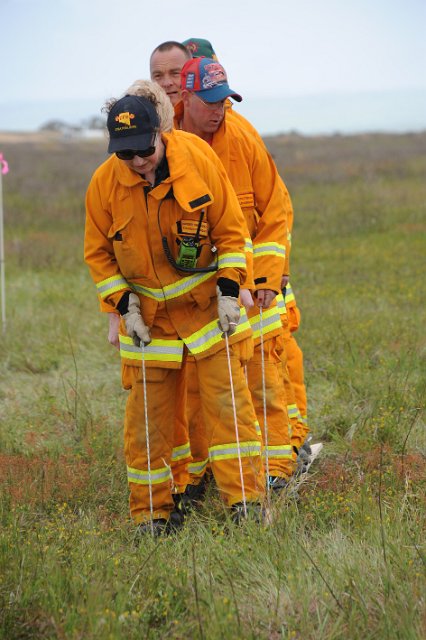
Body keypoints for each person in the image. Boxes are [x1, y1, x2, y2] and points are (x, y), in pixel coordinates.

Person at [84, 86, 265, 535]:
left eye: (144, 150)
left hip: (208, 312)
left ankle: (246, 505)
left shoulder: (199, 161)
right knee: (146, 422)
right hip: (148, 324)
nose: (138, 163)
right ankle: (153, 515)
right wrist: (125, 309)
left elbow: (231, 231)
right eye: (126, 155)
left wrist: (229, 291)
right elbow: (99, 256)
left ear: (161, 133)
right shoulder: (104, 184)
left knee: (229, 409)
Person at [183, 38, 311, 461]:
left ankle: (282, 460)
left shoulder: (242, 136)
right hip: (200, 287)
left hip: (255, 283)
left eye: (224, 100)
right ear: (186, 96)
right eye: (210, 101)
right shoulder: (168, 143)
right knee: (209, 383)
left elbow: (276, 210)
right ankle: (212, 467)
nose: (219, 109)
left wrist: (267, 279)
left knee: (267, 371)